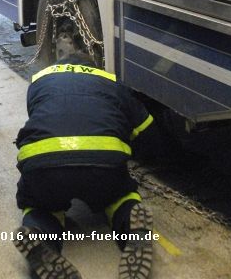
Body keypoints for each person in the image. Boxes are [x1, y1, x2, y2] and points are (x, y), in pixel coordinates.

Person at [12, 32, 157, 279]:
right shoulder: (111, 82)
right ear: (91, 66)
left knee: (41, 206)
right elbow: (148, 132)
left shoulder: (39, 81)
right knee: (119, 196)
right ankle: (132, 225)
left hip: (44, 166)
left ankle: (40, 239)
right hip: (103, 167)